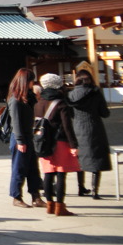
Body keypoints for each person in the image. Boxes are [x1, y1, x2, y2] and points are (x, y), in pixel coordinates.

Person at [36, 73, 80, 216]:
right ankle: (60, 207)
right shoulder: (61, 103)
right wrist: (74, 145)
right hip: (60, 141)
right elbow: (67, 126)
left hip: (43, 142)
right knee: (61, 174)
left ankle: (49, 204)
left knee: (48, 174)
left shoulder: (38, 103)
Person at [68, 61, 111, 199]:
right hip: (94, 127)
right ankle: (95, 190)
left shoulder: (71, 95)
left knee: (81, 158)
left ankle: (81, 187)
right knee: (95, 157)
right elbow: (104, 113)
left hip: (77, 127)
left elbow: (69, 113)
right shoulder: (95, 93)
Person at [6, 68, 46, 208]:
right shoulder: (15, 100)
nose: (32, 83)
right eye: (31, 81)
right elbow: (15, 122)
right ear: (25, 81)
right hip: (19, 138)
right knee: (19, 168)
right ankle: (16, 196)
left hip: (29, 136)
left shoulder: (27, 97)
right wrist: (20, 141)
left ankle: (36, 196)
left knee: (33, 168)